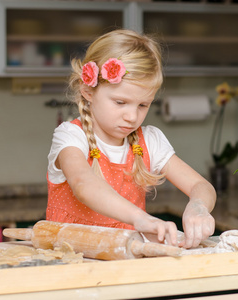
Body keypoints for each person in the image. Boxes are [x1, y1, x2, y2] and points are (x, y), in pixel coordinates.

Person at [46, 29, 216, 248]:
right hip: (71, 262)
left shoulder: (150, 140)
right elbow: (83, 184)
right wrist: (140, 218)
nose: (132, 116)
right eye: (120, 102)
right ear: (88, 90)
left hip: (125, 266)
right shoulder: (71, 136)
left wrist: (198, 205)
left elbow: (201, 185)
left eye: (143, 105)